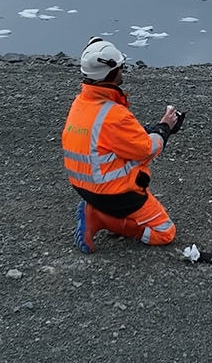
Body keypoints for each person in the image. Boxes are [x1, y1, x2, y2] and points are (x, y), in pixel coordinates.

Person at [63, 37, 185, 253]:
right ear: (110, 73)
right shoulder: (114, 114)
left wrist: (154, 127)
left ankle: (97, 211)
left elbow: (112, 138)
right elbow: (147, 149)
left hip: (83, 185)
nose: (122, 71)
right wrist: (164, 129)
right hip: (114, 194)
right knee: (165, 233)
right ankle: (100, 218)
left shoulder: (81, 103)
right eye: (120, 67)